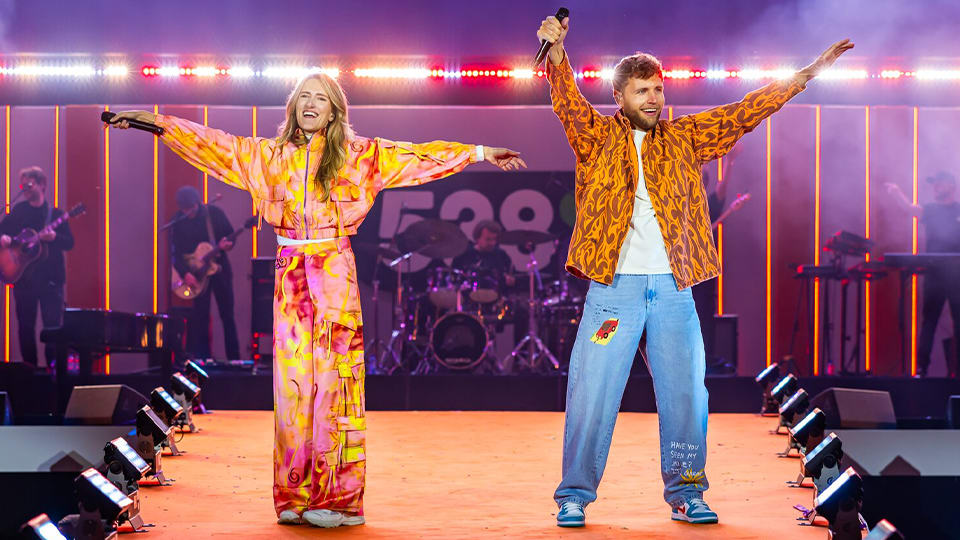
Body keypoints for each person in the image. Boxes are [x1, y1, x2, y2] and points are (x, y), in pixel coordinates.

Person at [105, 73, 525, 528]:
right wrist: (155, 123)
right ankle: (293, 494)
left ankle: (339, 498)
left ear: (334, 110)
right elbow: (212, 143)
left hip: (334, 274)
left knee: (336, 386)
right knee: (292, 389)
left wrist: (479, 152)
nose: (310, 103)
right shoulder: (267, 156)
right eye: (304, 96)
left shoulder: (360, 155)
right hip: (291, 279)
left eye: (320, 98)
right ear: (293, 107)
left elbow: (417, 155)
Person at [537, 14, 852, 527]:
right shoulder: (595, 138)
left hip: (673, 290)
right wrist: (555, 53)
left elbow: (746, 111)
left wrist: (808, 73)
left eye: (659, 89)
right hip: (613, 289)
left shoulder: (685, 140)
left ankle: (687, 493)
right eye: (642, 91)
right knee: (591, 394)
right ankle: (573, 494)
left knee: (686, 396)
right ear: (619, 97)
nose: (654, 99)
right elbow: (566, 100)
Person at [885, 171, 960, 377]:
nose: (935, 187)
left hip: (957, 274)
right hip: (934, 272)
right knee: (929, 321)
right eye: (934, 184)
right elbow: (911, 209)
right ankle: (922, 368)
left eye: (939, 184)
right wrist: (897, 193)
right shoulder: (931, 210)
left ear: (951, 186)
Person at [0, 167, 74, 368]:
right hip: (24, 278)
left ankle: (53, 369)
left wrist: (55, 237)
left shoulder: (56, 214)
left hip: (51, 279)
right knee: (25, 327)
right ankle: (29, 369)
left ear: (42, 185)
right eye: (23, 184)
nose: (25, 188)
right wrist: (4, 238)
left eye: (29, 184)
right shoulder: (18, 211)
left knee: (52, 327)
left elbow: (70, 243)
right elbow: (3, 232)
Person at [169, 185, 240, 362]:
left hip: (219, 269)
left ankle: (234, 359)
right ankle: (203, 359)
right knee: (200, 316)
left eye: (190, 208)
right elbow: (175, 253)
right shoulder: (177, 221)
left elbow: (230, 236)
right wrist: (185, 273)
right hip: (196, 275)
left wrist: (227, 245)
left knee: (227, 314)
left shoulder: (213, 213)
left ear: (196, 204)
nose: (188, 212)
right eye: (184, 209)